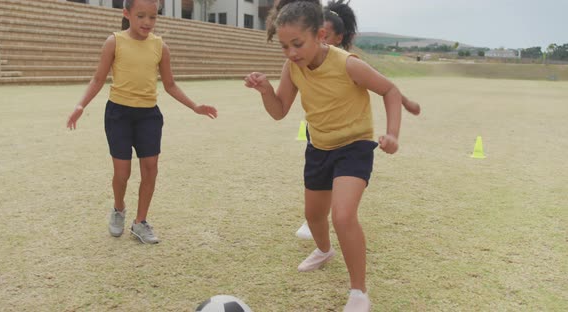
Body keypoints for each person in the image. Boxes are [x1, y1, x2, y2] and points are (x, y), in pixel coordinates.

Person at [245, 0, 404, 310]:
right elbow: (279, 111)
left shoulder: (348, 64)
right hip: (318, 147)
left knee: (343, 216)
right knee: (314, 215)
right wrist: (266, 90)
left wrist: (393, 133)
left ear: (320, 35)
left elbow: (390, 90)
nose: (291, 52)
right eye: (284, 46)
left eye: (297, 44)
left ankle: (359, 293)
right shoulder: (293, 67)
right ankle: (324, 250)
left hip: (354, 147)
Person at [66, 0, 217, 244]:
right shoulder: (114, 41)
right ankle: (118, 209)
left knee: (150, 169)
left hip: (148, 115)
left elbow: (170, 85)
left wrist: (195, 106)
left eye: (153, 17)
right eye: (141, 16)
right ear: (127, 13)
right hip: (119, 115)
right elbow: (97, 78)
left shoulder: (160, 46)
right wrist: (80, 105)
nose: (147, 22)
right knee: (122, 173)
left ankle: (140, 222)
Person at [295, 0, 420, 241]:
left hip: (349, 133)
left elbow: (383, 85)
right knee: (320, 169)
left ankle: (332, 215)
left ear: (336, 37)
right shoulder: (302, 61)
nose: (319, 41)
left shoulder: (347, 62)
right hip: (319, 128)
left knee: (340, 172)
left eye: (326, 36)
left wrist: (405, 102)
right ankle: (316, 217)